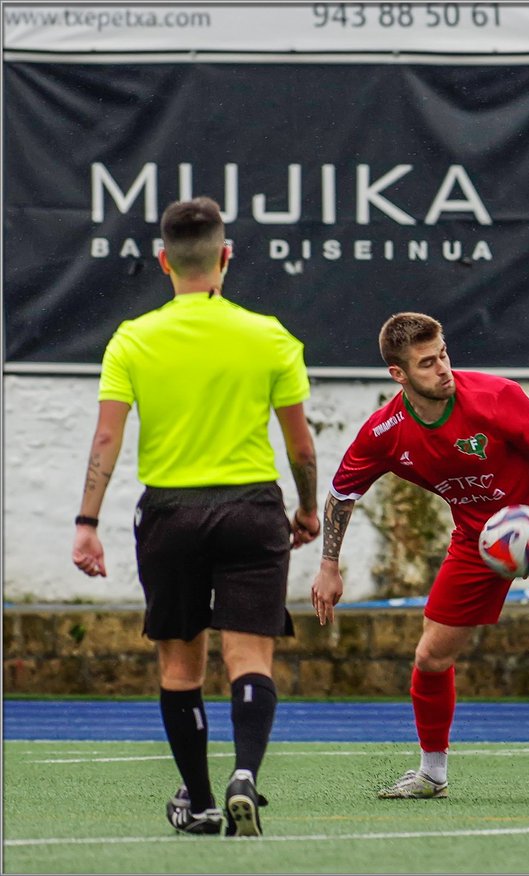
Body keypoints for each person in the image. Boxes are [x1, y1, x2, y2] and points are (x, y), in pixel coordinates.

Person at [71, 196, 320, 836]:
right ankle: (245, 774)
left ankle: (203, 802)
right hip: (251, 509)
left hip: (170, 514)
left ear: (163, 261)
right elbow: (300, 445)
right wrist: (307, 508)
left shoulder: (133, 338)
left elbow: (106, 439)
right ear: (226, 256)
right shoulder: (269, 335)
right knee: (250, 658)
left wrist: (87, 523)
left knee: (181, 668)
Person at [310, 312, 529, 802]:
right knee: (430, 656)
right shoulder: (385, 432)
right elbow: (342, 494)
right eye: (427, 363)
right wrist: (328, 566)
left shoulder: (497, 397)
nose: (443, 368)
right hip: (476, 540)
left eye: (444, 354)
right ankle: (432, 773)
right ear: (398, 374)